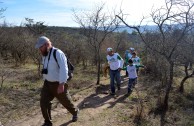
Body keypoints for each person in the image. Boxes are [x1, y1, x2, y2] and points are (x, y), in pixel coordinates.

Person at [35, 36, 79, 126]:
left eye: (41, 47)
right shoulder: (45, 54)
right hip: (47, 83)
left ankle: (75, 112)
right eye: (39, 47)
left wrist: (62, 83)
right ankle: (47, 121)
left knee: (66, 102)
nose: (40, 49)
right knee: (43, 102)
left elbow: (64, 69)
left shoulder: (58, 53)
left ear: (47, 44)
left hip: (58, 83)